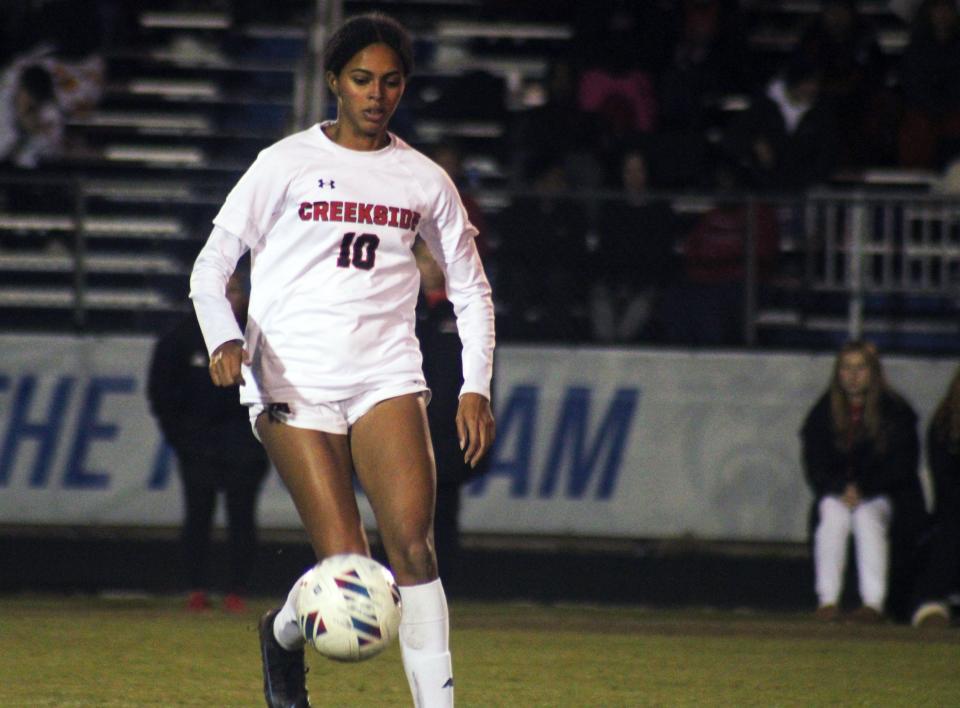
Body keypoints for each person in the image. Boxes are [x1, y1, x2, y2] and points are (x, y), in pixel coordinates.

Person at [189, 13, 495, 708]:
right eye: (361, 79)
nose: (376, 94)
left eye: (390, 82)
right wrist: (222, 338)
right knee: (351, 574)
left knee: (414, 551)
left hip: (387, 375)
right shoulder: (285, 164)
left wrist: (474, 386)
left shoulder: (425, 180)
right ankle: (283, 635)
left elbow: (473, 290)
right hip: (293, 379)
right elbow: (210, 269)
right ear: (333, 82)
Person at [147, 271, 269, 614]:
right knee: (198, 518)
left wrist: (263, 438)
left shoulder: (258, 337)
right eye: (223, 291)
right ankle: (196, 589)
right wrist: (182, 439)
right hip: (198, 446)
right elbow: (161, 391)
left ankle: (237, 591)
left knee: (242, 519)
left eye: (233, 291)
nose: (229, 299)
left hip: (245, 447)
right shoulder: (182, 337)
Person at [800, 341, 926, 623]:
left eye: (860, 368)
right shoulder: (823, 412)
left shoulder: (895, 412)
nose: (853, 375)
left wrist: (865, 488)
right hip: (839, 493)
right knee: (832, 514)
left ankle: (872, 604)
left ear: (873, 372)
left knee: (868, 517)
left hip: (885, 495)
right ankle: (827, 602)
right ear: (838, 373)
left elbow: (902, 465)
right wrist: (839, 488)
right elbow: (814, 462)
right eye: (846, 368)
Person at [414, 238, 489, 589]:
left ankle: (447, 590)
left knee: (443, 517)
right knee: (400, 518)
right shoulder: (400, 310)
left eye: (436, 259)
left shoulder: (461, 313)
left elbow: (477, 375)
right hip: (403, 432)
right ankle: (402, 587)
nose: (430, 267)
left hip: (444, 437)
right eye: (423, 258)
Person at [588, 147, 678, 343]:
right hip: (614, 279)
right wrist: (617, 283)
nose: (634, 177)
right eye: (629, 171)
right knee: (601, 301)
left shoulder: (660, 211)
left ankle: (619, 351)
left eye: (639, 171)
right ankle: (606, 352)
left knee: (639, 306)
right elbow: (606, 251)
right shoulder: (611, 209)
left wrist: (637, 283)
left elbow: (661, 254)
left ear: (647, 173)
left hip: (647, 281)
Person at [909, 365, 960, 628]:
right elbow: (946, 487)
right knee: (952, 527)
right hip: (952, 511)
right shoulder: (943, 426)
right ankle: (932, 602)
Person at [897, 0, 960, 169]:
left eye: (947, 10)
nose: (942, 15)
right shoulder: (917, 47)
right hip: (924, 112)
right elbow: (912, 83)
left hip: (954, 111)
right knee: (918, 129)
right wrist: (932, 108)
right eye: (938, 10)